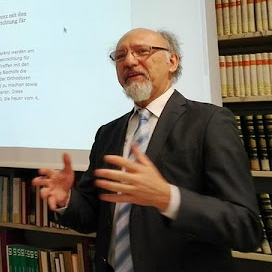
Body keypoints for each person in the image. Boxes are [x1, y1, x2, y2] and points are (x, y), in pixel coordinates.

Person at [32, 28, 261, 272]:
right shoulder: (108, 132)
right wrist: (67, 199)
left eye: (142, 51)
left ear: (172, 61)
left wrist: (168, 198)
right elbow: (93, 217)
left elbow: (245, 227)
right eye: (120, 56)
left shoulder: (209, 121)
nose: (129, 61)